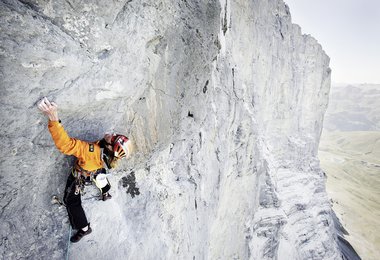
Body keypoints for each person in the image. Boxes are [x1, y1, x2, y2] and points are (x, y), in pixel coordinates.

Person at [37, 97, 133, 242]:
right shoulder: (107, 157)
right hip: (97, 168)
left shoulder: (91, 150)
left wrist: (53, 117)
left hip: (81, 174)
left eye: (113, 138)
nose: (112, 134)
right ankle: (105, 192)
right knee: (100, 174)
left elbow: (66, 145)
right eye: (115, 135)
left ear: (109, 147)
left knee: (71, 201)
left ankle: (84, 228)